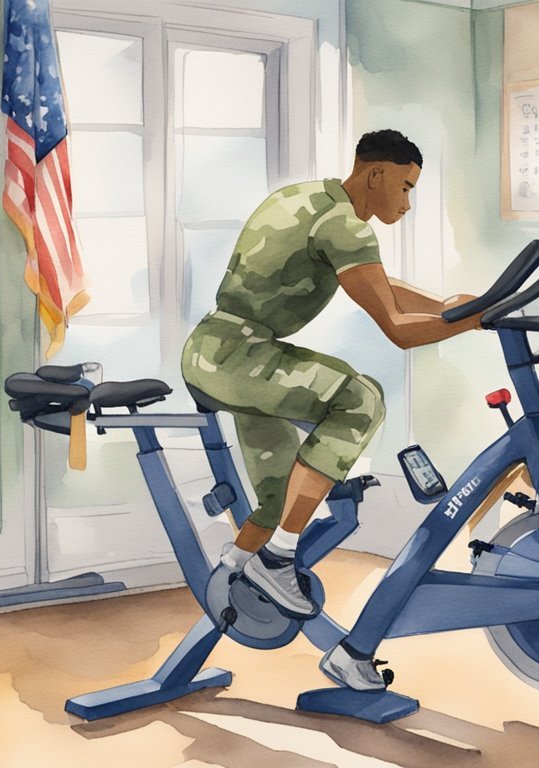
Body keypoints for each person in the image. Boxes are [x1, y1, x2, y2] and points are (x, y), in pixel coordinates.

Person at [180, 129, 481, 689]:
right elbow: (394, 327)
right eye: (405, 187)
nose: (407, 203)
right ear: (376, 174)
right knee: (359, 398)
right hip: (238, 355)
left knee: (273, 504)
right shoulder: (346, 223)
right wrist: (471, 320)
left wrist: (446, 307)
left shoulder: (311, 199)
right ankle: (277, 563)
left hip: (218, 351)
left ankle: (235, 574)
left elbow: (379, 286)